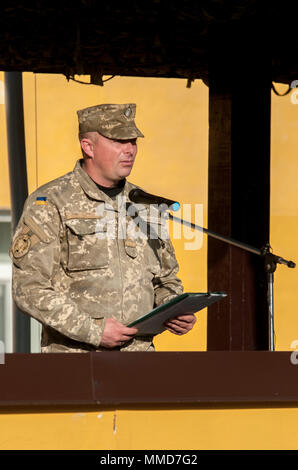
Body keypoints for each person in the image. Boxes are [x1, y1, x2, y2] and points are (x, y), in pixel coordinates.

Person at [10, 103, 196, 352]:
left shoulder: (144, 205)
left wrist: (173, 308)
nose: (129, 150)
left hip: (140, 362)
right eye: (119, 142)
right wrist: (93, 330)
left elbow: (165, 280)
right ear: (88, 146)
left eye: (133, 142)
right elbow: (28, 288)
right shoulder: (52, 201)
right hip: (76, 362)